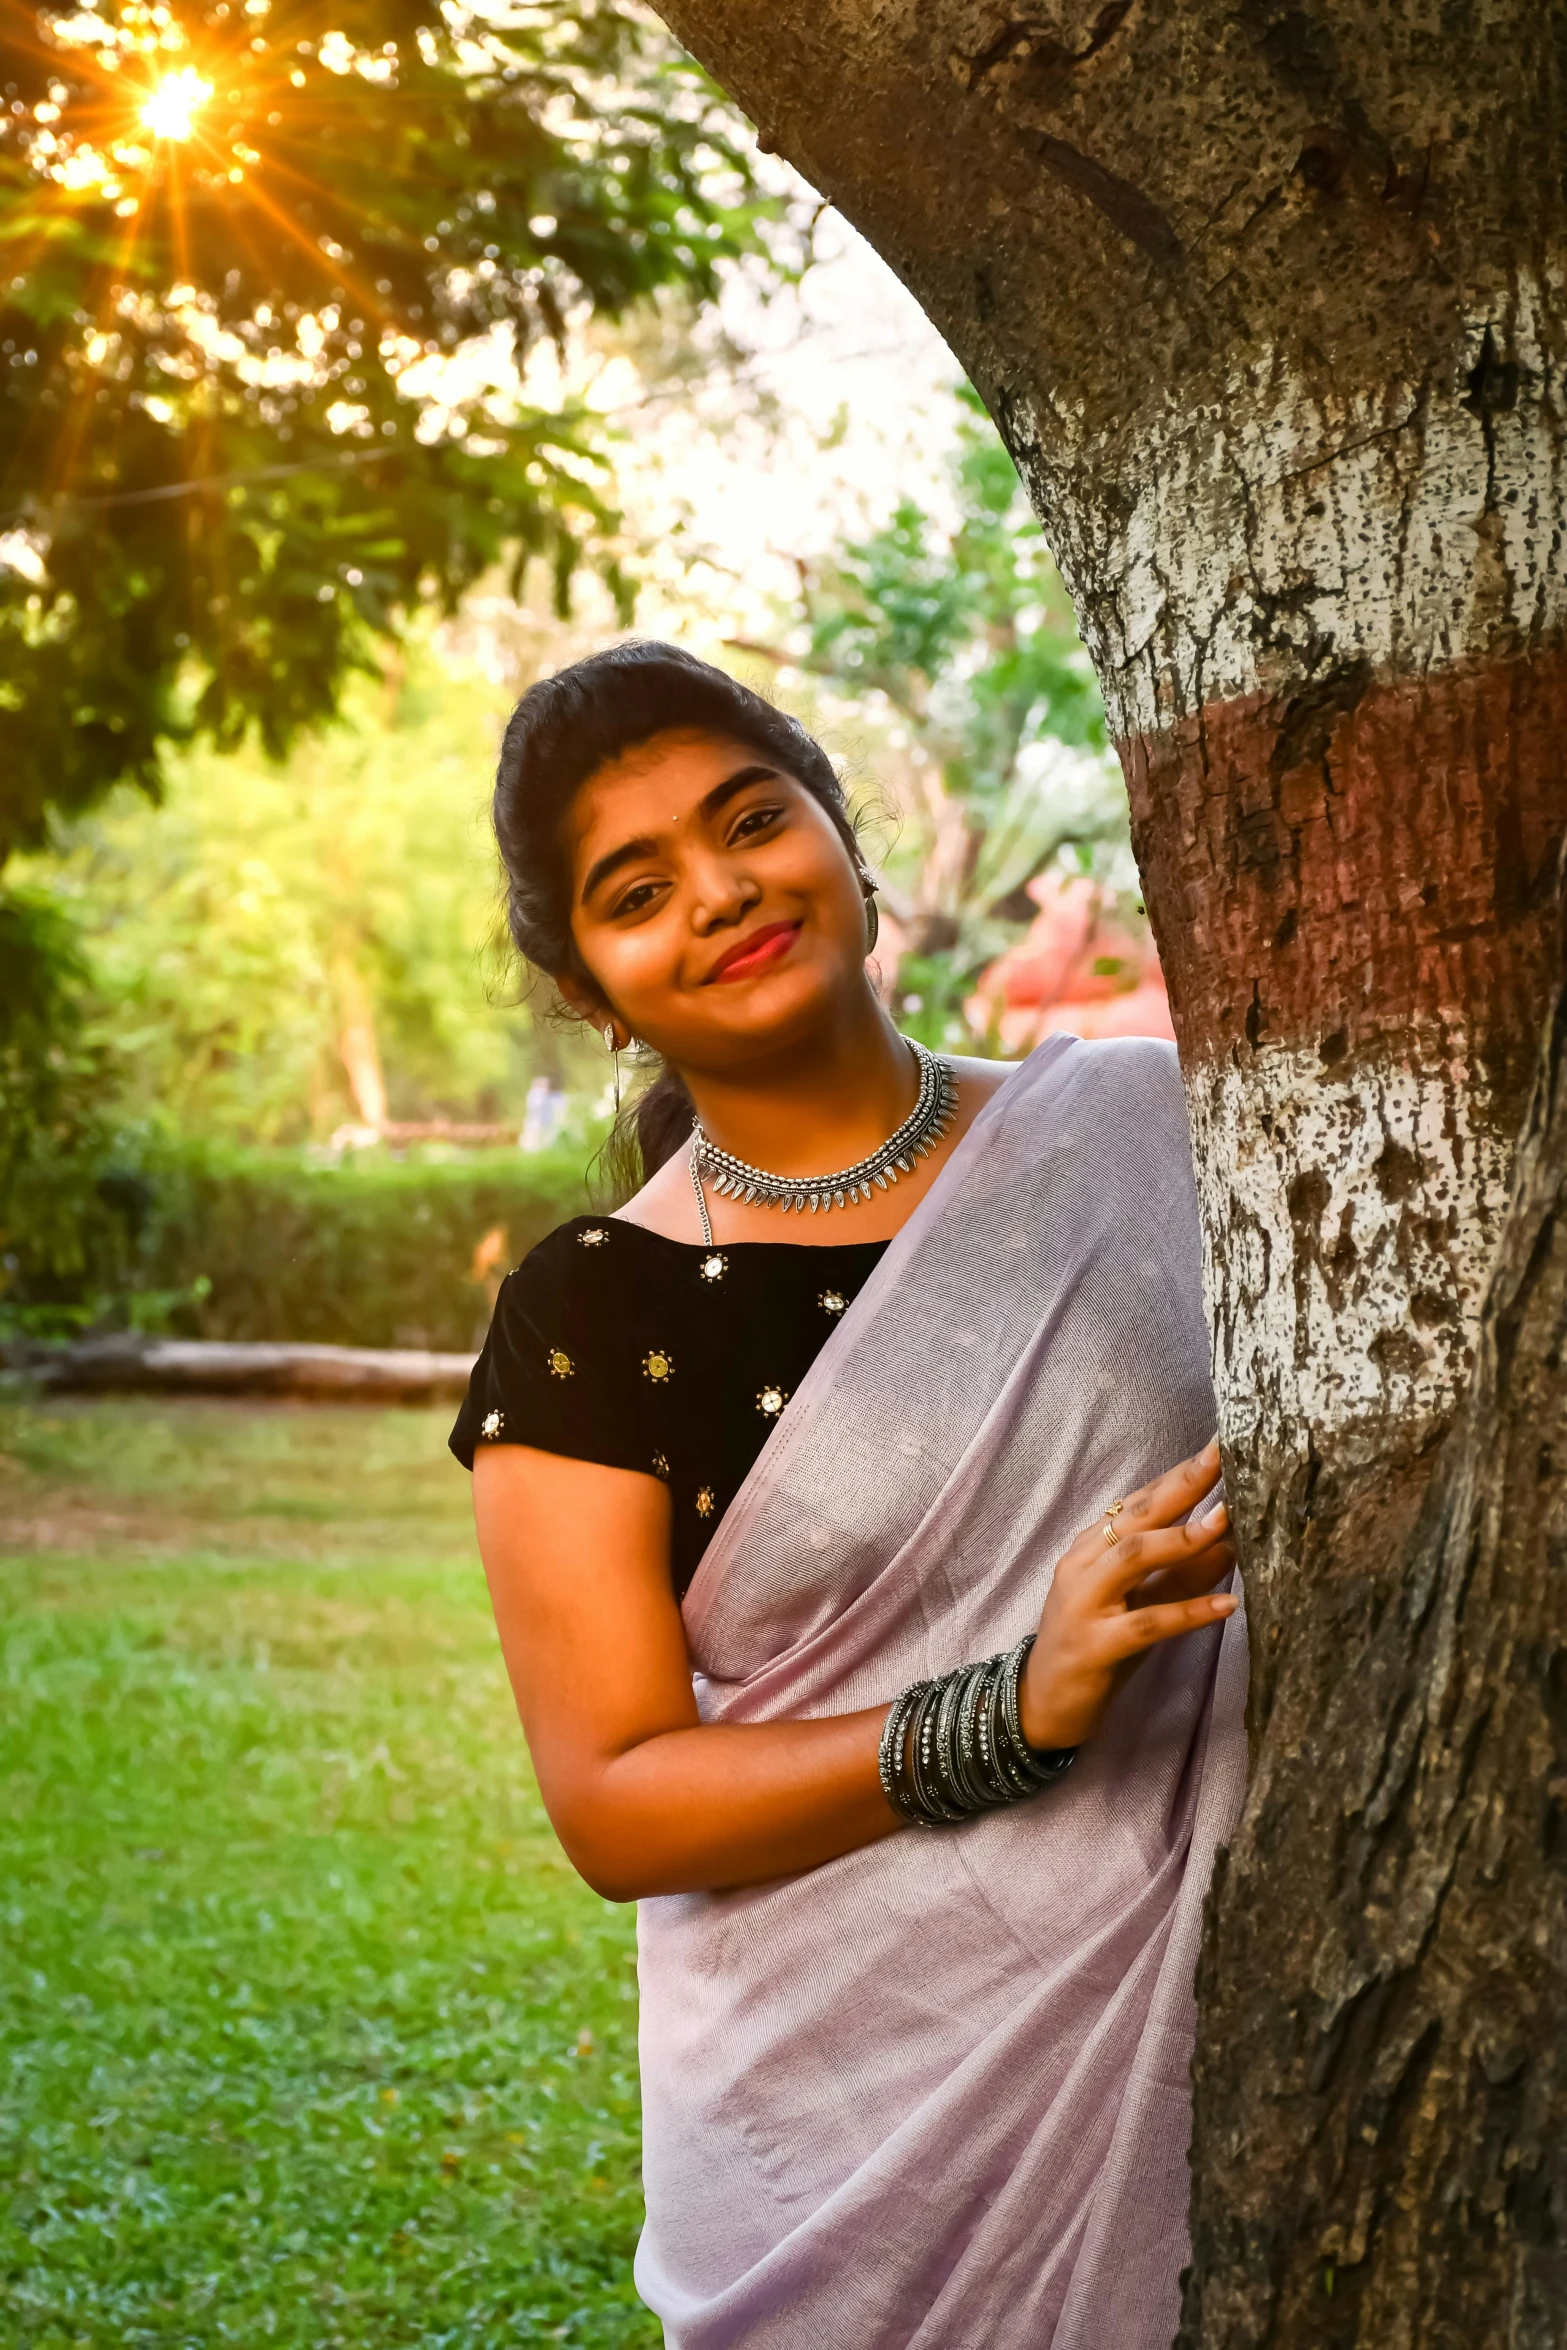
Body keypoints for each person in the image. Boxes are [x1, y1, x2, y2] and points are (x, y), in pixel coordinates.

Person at [450, 641, 1248, 2350]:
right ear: (593, 988)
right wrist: (1002, 1713)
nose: (722, 890)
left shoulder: (1140, 1128)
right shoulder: (595, 1310)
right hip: (837, 2145)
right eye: (636, 887)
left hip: (1229, 2028)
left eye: (752, 820)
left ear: (847, 844)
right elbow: (614, 1796)